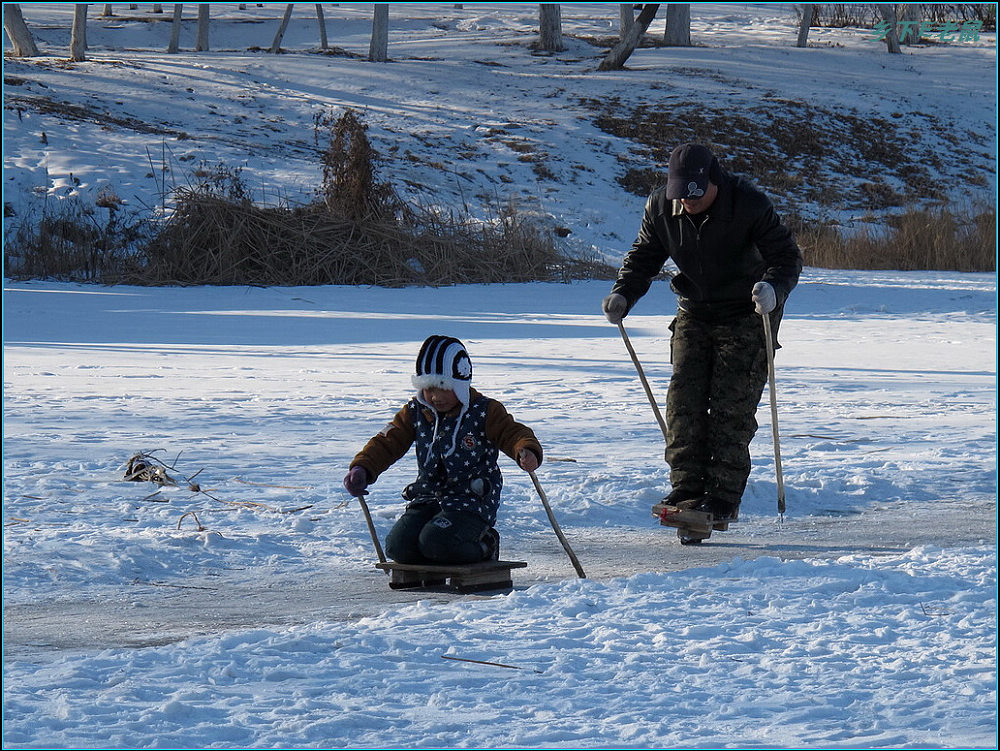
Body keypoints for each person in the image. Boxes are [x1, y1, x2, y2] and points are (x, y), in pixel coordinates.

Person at [602, 143, 802, 523]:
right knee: (683, 400)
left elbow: (787, 257)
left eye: (695, 195)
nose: (688, 203)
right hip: (694, 309)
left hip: (749, 309)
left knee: (732, 405)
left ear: (714, 181)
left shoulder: (748, 204)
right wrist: (623, 294)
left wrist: (773, 289)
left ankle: (724, 497)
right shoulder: (661, 207)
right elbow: (644, 256)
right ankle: (687, 486)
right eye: (681, 196)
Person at [343, 335, 543, 564]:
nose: (435, 397)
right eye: (428, 389)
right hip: (428, 497)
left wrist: (525, 450)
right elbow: (388, 441)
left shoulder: (484, 411)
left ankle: (486, 544)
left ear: (460, 385)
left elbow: (513, 433)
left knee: (437, 542)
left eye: (443, 388)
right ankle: (434, 560)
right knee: (398, 547)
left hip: (471, 502)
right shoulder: (416, 411)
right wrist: (363, 467)